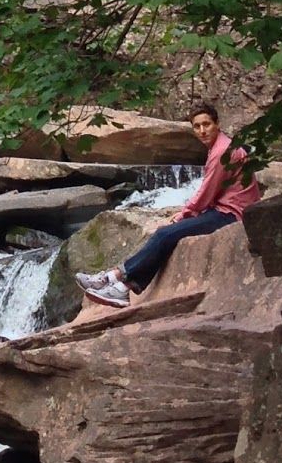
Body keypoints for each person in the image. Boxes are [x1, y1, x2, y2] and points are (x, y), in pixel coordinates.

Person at [76, 102, 258, 310]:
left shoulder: (222, 152)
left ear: (217, 124)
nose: (202, 130)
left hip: (232, 214)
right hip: (226, 209)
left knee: (165, 234)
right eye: (197, 126)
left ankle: (119, 283)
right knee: (166, 234)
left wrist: (185, 213)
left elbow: (207, 193)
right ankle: (114, 279)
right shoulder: (222, 145)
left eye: (206, 124)